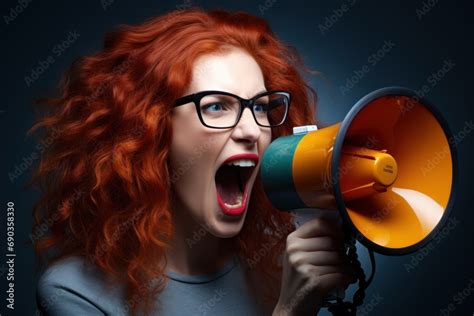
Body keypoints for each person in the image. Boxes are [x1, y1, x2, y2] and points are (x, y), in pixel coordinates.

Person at [30, 8, 355, 316]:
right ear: (152, 128)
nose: (253, 130)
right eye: (216, 106)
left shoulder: (278, 265)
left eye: (260, 107)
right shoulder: (74, 292)